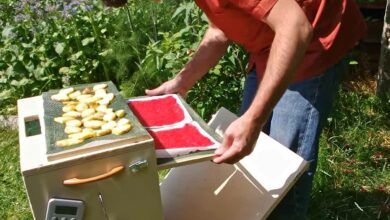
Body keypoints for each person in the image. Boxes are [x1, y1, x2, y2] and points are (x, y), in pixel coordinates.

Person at [103, 0, 367, 219]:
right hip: (272, 39)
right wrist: (182, 82)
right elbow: (220, 29)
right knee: (249, 148)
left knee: (285, 158)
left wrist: (252, 120)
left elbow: (295, 28)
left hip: (312, 37)